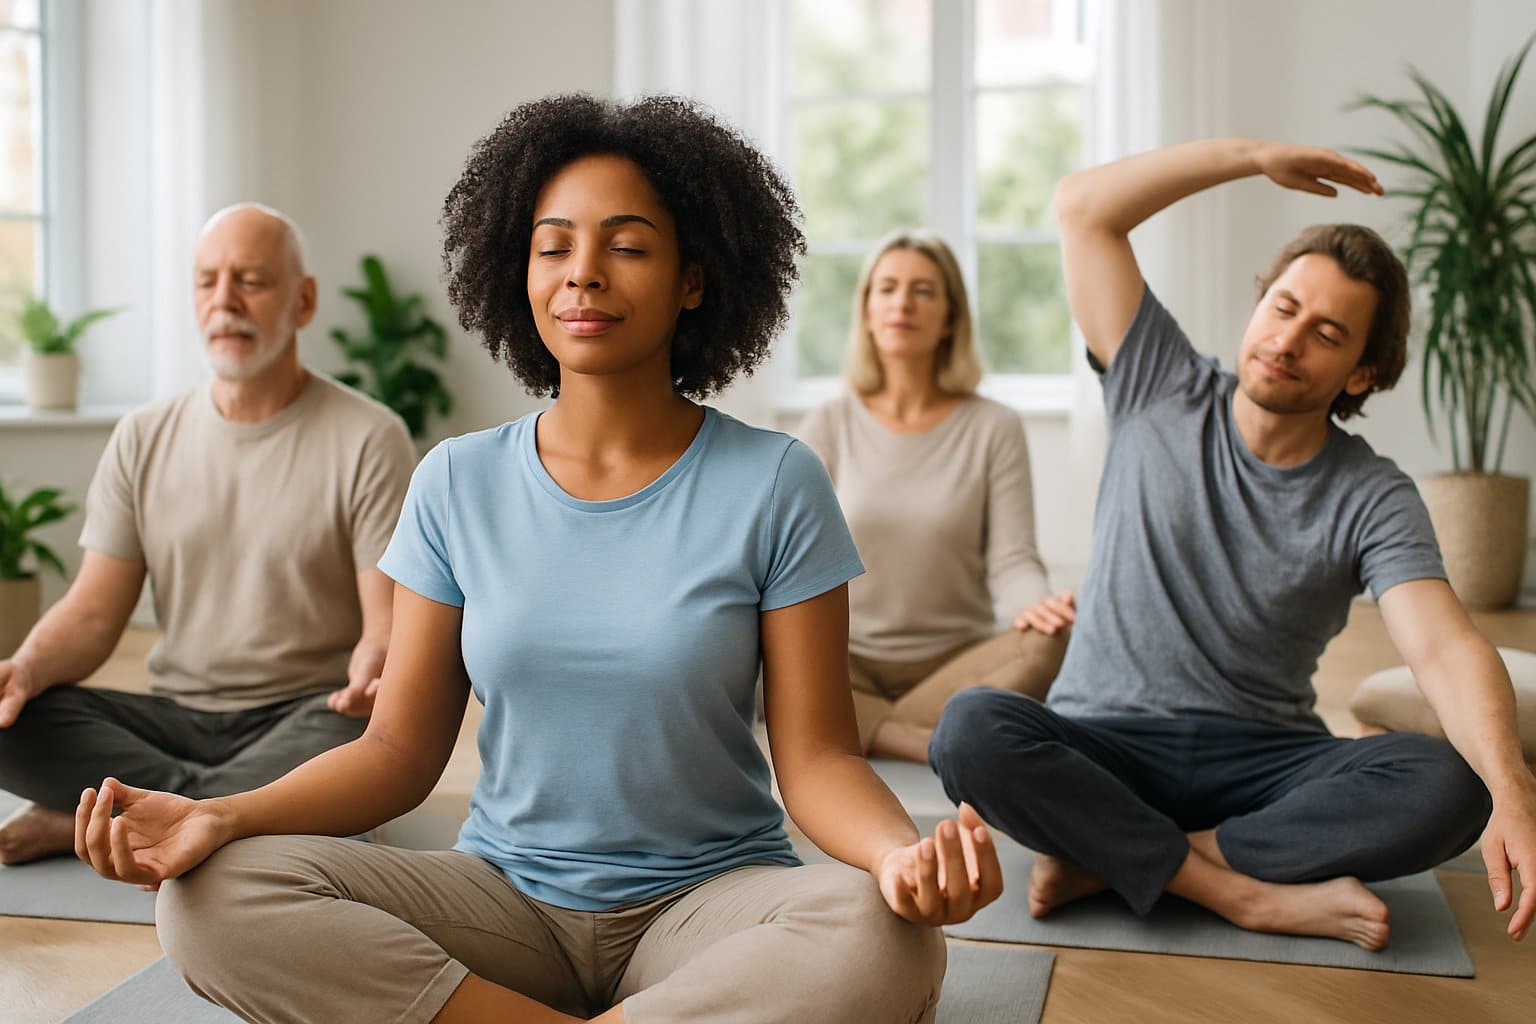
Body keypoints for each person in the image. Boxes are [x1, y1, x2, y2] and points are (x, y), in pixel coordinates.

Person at [74, 95, 1004, 1024]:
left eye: (628, 247)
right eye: (553, 246)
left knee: (881, 934)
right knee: (208, 894)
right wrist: (225, 816)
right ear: (516, 272)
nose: (583, 276)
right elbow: (397, 751)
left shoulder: (775, 481)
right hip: (503, 907)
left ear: (693, 278)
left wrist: (896, 857)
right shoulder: (455, 481)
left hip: (710, 904)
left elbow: (819, 758)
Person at [930, 138, 1536, 949]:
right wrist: (1254, 157)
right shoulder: (1158, 381)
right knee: (969, 730)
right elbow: (1083, 208)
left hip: (1262, 764)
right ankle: (1238, 893)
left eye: (1327, 333)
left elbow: (1444, 648)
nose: (1288, 342)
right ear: (1258, 306)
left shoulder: (1373, 493)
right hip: (1106, 742)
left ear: (1362, 373)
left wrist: (1513, 787)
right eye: (1283, 308)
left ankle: (1118, 859)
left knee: (1453, 784)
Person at [0, 203, 414, 865]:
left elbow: (386, 622)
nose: (226, 301)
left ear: (303, 301)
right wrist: (23, 668)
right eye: (207, 282)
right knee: (11, 724)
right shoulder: (142, 435)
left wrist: (377, 666)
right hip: (174, 719)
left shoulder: (369, 437)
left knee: (364, 741)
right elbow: (91, 612)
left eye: (251, 280)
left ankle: (94, 820)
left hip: (307, 715)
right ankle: (219, 817)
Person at [797, 230, 1063, 764]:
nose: (902, 303)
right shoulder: (830, 422)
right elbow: (791, 558)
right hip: (847, 661)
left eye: (923, 290)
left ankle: (869, 730)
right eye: (887, 288)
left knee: (1053, 638)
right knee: (746, 641)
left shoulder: (994, 426)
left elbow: (1013, 559)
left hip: (957, 663)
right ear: (867, 310)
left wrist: (1037, 604)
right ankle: (925, 739)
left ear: (950, 318)